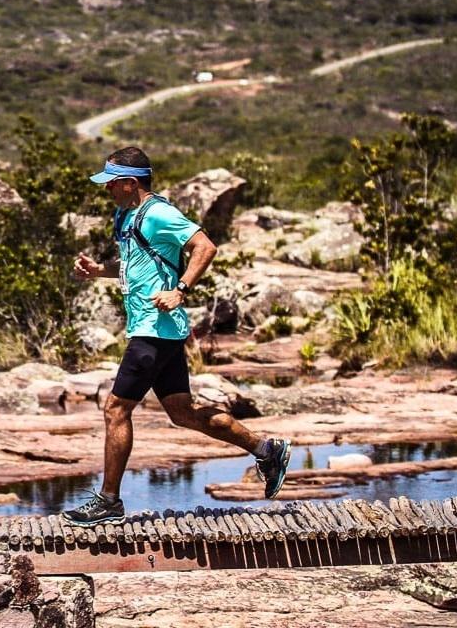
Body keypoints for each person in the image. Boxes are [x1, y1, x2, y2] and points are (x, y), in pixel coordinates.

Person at [61, 146, 291, 526]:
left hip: (154, 329)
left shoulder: (160, 214)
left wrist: (180, 289)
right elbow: (134, 265)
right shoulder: (126, 215)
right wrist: (98, 270)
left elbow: (205, 246)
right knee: (183, 413)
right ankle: (266, 449)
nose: (106, 191)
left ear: (129, 183)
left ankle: (109, 501)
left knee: (116, 409)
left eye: (111, 184)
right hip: (158, 330)